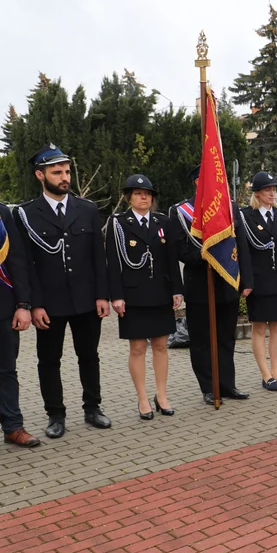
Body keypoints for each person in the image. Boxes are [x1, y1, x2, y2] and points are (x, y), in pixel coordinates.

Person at [15, 144, 111, 438]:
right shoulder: (26, 214)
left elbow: (98, 257)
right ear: (40, 175)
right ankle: (55, 414)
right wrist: (33, 304)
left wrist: (101, 295)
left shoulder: (87, 209)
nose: (64, 176)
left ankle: (93, 408)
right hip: (49, 304)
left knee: (89, 356)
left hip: (85, 299)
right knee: (48, 360)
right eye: (57, 172)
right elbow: (24, 264)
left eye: (67, 171)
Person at [169, 166, 254, 405]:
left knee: (226, 338)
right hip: (199, 284)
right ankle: (208, 386)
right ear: (197, 182)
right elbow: (179, 249)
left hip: (227, 283)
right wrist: (203, 256)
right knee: (202, 340)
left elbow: (242, 245)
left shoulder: (230, 207)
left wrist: (247, 280)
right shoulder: (181, 212)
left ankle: (227, 384)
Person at [106, 175, 183, 420]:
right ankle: (142, 398)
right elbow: (113, 263)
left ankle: (161, 395)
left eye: (148, 193)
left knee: (161, 345)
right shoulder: (118, 222)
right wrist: (116, 296)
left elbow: (172, 259)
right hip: (133, 295)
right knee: (138, 347)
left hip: (160, 291)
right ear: (129, 197)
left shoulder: (163, 221)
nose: (144, 197)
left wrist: (177, 289)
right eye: (139, 193)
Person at [0, 202, 42, 450]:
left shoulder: (0, 211)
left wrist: (23, 305)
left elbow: (17, 259)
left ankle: (13, 427)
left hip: (2, 305)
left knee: (6, 370)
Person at [241, 171, 277, 391]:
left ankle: (276, 371)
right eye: (267, 190)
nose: (272, 193)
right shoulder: (245, 216)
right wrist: (247, 282)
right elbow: (244, 252)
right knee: (259, 326)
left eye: (274, 189)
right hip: (258, 279)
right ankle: (265, 375)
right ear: (257, 194)